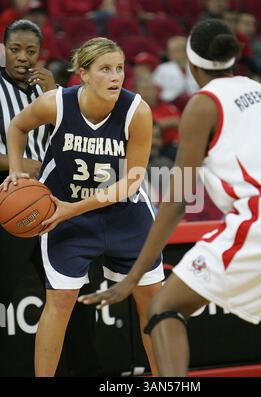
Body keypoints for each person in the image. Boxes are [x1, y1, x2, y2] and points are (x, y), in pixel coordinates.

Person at [77, 19, 261, 376]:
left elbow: (178, 198)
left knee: (164, 307)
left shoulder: (203, 104)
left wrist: (133, 276)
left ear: (192, 65)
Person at [1, 36, 164, 377]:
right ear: (83, 74)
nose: (116, 76)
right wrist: (16, 171)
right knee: (59, 303)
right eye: (105, 69)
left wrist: (72, 209)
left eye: (120, 68)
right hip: (65, 212)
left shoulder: (137, 111)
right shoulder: (56, 104)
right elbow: (17, 127)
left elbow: (131, 182)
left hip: (124, 214)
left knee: (153, 306)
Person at [0, 19, 56, 308]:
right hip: (7, 196)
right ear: (3, 49)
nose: (23, 57)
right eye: (15, 49)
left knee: (68, 291)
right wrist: (16, 163)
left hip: (48, 200)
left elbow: (68, 142)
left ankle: (80, 356)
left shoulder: (47, 90)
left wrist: (56, 95)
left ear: (40, 53)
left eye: (31, 51)